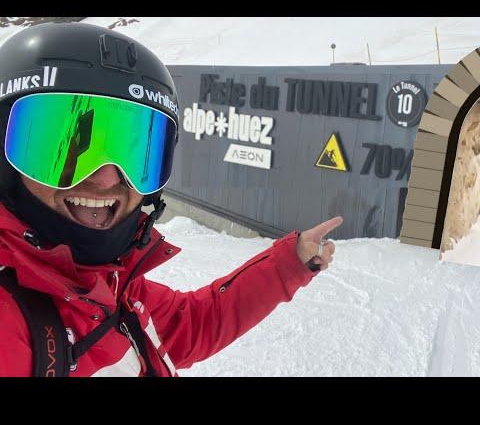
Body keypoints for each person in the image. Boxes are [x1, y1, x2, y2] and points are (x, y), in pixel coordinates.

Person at [0, 22, 342, 377]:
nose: (105, 178)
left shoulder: (110, 288)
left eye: (135, 154)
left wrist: (289, 262)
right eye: (63, 149)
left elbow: (191, 325)